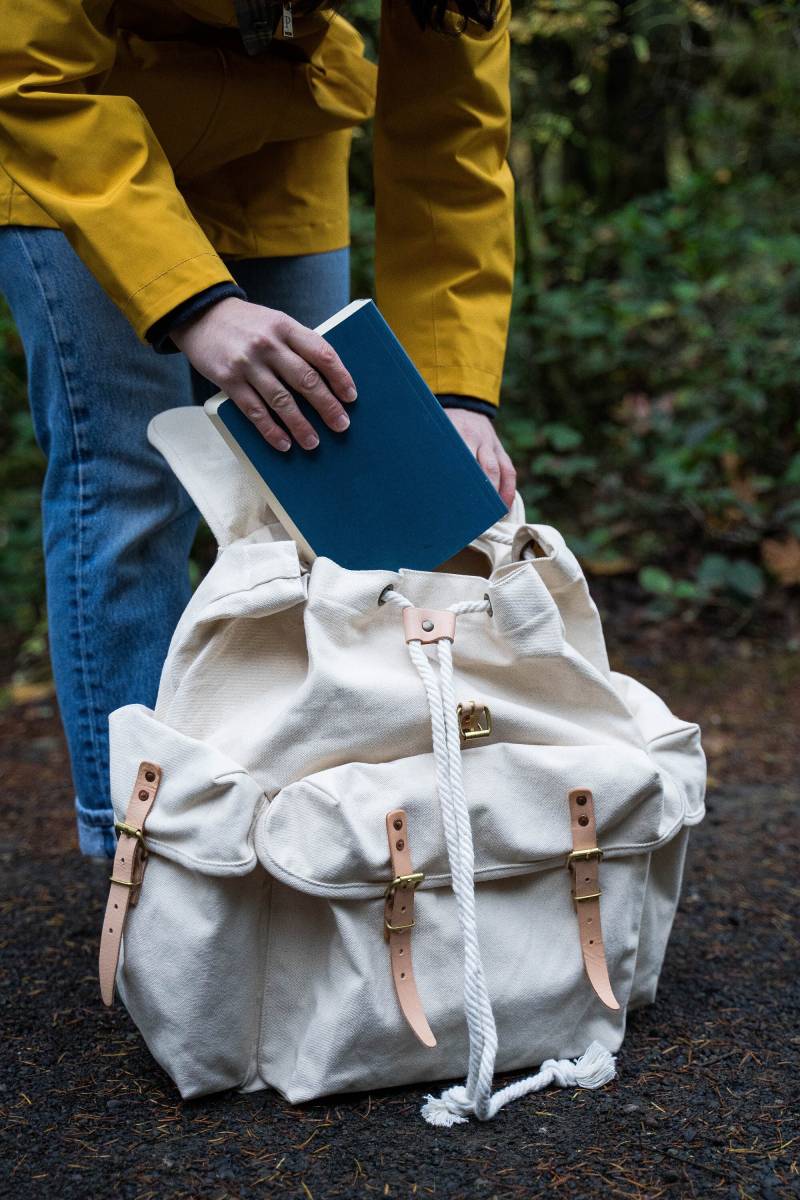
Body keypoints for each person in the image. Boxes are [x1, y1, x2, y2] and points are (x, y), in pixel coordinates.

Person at [0, 0, 517, 857]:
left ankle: (322, 835)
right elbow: (27, 67)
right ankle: (148, 850)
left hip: (281, 128)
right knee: (130, 484)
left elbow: (453, 147)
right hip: (76, 133)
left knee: (326, 490)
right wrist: (193, 302)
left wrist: (454, 395)